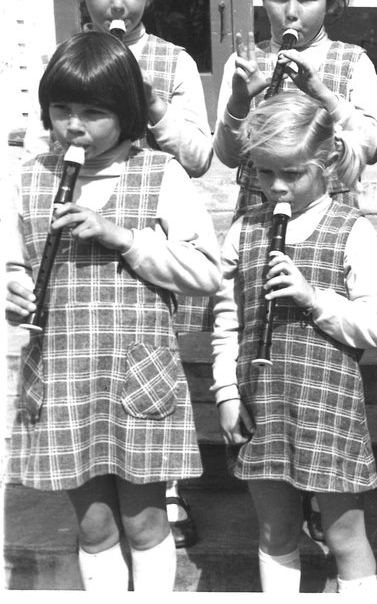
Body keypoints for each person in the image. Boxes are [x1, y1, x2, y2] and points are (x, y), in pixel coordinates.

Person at [5, 31, 221, 591]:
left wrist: (124, 237)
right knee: (95, 524)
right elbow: (12, 265)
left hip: (135, 375)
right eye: (61, 110)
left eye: (93, 112)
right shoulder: (29, 177)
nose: (73, 125)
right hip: (63, 375)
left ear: (125, 113)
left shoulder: (160, 173)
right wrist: (13, 288)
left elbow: (207, 273)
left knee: (144, 520)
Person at [211, 93, 377, 593]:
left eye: (292, 173)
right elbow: (227, 320)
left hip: (327, 403)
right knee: (274, 528)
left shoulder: (353, 230)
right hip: (260, 399)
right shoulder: (245, 229)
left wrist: (315, 299)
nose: (278, 187)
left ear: (328, 160)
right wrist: (225, 392)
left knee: (343, 531)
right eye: (266, 173)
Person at [22, 0, 212, 179]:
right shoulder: (54, 64)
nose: (118, 5)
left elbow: (199, 161)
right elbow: (35, 160)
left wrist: (154, 103)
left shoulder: (177, 63)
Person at [214, 0, 377, 215]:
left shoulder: (354, 61)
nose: (291, 12)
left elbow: (374, 150)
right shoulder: (243, 62)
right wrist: (239, 104)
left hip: (332, 214)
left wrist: (325, 97)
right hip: (257, 212)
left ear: (329, 2)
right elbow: (228, 157)